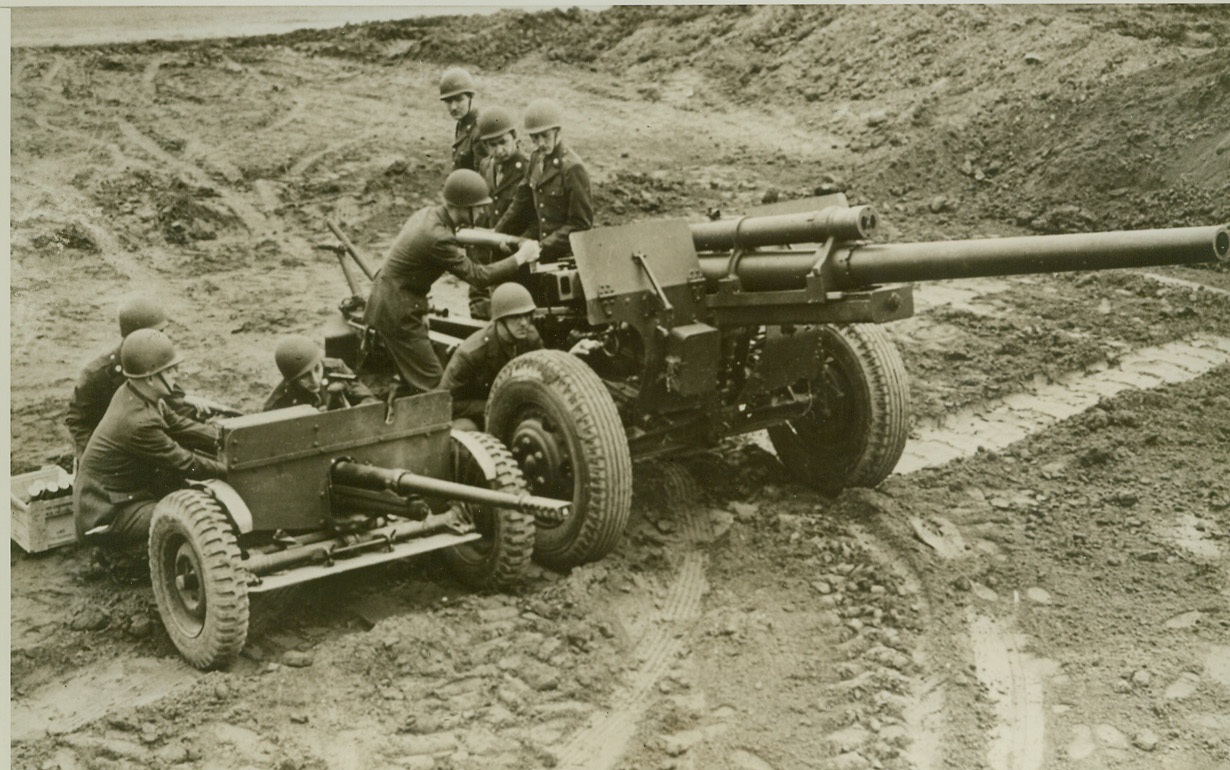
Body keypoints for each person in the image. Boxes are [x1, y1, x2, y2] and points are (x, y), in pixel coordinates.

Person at [361, 169, 541, 394]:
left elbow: (458, 237)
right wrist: (520, 258)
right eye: (478, 207)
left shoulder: (429, 215)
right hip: (398, 313)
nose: (483, 211)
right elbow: (478, 277)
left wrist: (500, 243)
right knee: (435, 388)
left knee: (416, 377)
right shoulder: (437, 238)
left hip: (396, 301)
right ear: (461, 207)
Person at [73, 329, 226, 548]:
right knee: (190, 516)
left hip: (122, 495)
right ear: (152, 378)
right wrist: (230, 469)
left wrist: (227, 437)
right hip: (107, 514)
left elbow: (180, 426)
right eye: (170, 370)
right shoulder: (137, 422)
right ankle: (119, 556)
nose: (177, 374)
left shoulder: (137, 392)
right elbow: (185, 462)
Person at [66, 296, 189, 459]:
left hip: (147, 442)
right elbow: (78, 420)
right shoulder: (97, 374)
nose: (161, 339)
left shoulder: (157, 362)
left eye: (161, 333)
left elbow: (176, 403)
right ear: (134, 336)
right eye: (154, 335)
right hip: (111, 453)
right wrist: (97, 457)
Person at [494, 98, 594, 263]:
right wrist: (498, 232)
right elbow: (520, 200)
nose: (540, 143)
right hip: (539, 252)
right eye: (535, 137)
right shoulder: (536, 159)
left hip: (565, 256)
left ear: (557, 131)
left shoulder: (572, 168)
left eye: (545, 136)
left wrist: (541, 247)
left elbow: (580, 224)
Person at [440, 283, 544, 429]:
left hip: (513, 411)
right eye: (516, 317)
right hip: (478, 415)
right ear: (500, 319)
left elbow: (544, 374)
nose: (524, 323)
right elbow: (444, 403)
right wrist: (493, 406)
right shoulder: (471, 354)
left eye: (527, 315)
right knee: (465, 428)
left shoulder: (531, 338)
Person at [468, 106, 531, 319]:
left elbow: (534, 216)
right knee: (482, 309)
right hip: (488, 252)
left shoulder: (528, 168)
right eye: (492, 145)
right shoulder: (486, 166)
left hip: (514, 254)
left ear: (514, 137)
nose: (499, 150)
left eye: (503, 142)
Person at [264, 334, 377, 412]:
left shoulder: (336, 369)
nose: (315, 380)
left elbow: (371, 402)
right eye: (304, 377)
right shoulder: (282, 398)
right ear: (293, 381)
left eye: (317, 369)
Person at [440, 66, 486, 172]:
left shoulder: (478, 131)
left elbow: (484, 174)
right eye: (448, 101)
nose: (453, 107)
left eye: (459, 100)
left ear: (470, 98)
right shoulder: (462, 124)